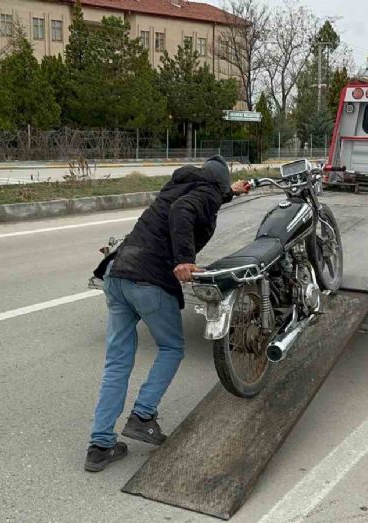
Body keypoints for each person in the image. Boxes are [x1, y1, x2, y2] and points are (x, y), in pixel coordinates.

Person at [85, 155, 250, 472]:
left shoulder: (181, 184)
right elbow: (184, 211)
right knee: (172, 348)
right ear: (216, 185)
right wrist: (184, 259)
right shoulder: (201, 195)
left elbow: (194, 198)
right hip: (149, 280)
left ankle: (100, 445)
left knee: (117, 361)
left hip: (118, 274)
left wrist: (233, 190)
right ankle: (144, 415)